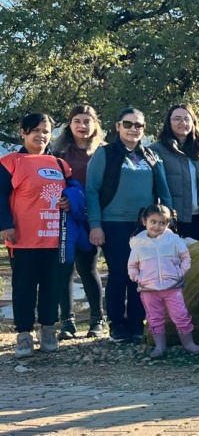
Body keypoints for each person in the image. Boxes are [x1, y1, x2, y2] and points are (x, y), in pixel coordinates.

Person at [86, 108, 173, 342]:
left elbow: (164, 193)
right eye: (128, 124)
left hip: (145, 226)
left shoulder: (152, 156)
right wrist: (95, 225)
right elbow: (92, 191)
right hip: (112, 223)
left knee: (143, 274)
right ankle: (117, 324)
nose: (133, 129)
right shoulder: (105, 154)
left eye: (139, 125)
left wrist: (167, 224)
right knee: (119, 273)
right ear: (117, 126)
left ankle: (136, 323)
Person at [1, 113, 76, 357]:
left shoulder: (60, 164)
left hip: (55, 238)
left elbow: (75, 192)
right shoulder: (10, 162)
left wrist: (69, 201)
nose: (41, 135)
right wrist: (5, 224)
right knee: (24, 287)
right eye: (35, 130)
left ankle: (48, 328)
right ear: (23, 132)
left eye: (46, 131)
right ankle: (23, 334)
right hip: (23, 239)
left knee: (51, 286)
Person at [51, 105, 107, 339]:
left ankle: (97, 319)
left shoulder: (103, 152)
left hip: (93, 216)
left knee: (88, 267)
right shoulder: (58, 152)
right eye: (77, 121)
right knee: (64, 268)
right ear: (69, 124)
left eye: (87, 121)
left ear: (95, 124)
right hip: (66, 217)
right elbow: (51, 182)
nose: (82, 126)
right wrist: (62, 200)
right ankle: (68, 322)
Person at [127, 204, 199, 358]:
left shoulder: (174, 240)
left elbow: (185, 258)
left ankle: (189, 344)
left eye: (162, 223)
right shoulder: (138, 244)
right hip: (148, 291)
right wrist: (139, 279)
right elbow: (132, 266)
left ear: (168, 223)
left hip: (172, 288)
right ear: (145, 221)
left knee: (181, 315)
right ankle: (160, 347)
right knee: (154, 318)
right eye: (153, 222)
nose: (157, 226)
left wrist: (179, 273)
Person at [151, 104, 199, 241]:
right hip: (171, 220)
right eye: (177, 119)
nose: (182, 123)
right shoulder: (156, 150)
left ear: (193, 122)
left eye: (186, 119)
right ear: (169, 122)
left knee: (198, 261)